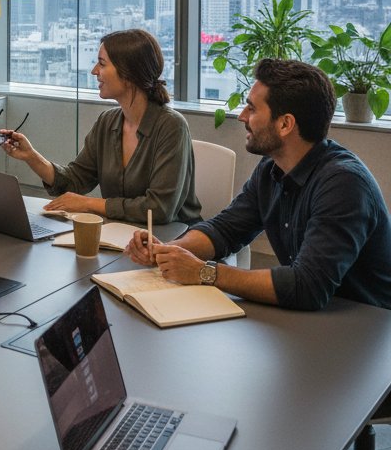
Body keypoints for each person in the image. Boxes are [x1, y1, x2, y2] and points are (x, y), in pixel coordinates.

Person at [127, 58, 391, 310]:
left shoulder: (344, 185)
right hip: (308, 321)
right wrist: (169, 251)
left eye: (252, 108)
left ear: (285, 124)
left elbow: (308, 286)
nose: (242, 116)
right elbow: (225, 230)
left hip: (363, 329)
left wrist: (203, 272)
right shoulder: (271, 168)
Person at [0, 29, 200, 224]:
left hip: (172, 241)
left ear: (128, 73)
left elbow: (159, 209)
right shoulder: (107, 122)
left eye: (102, 64)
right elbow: (75, 180)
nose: (95, 71)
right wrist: (31, 157)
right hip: (123, 235)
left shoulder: (171, 126)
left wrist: (88, 204)